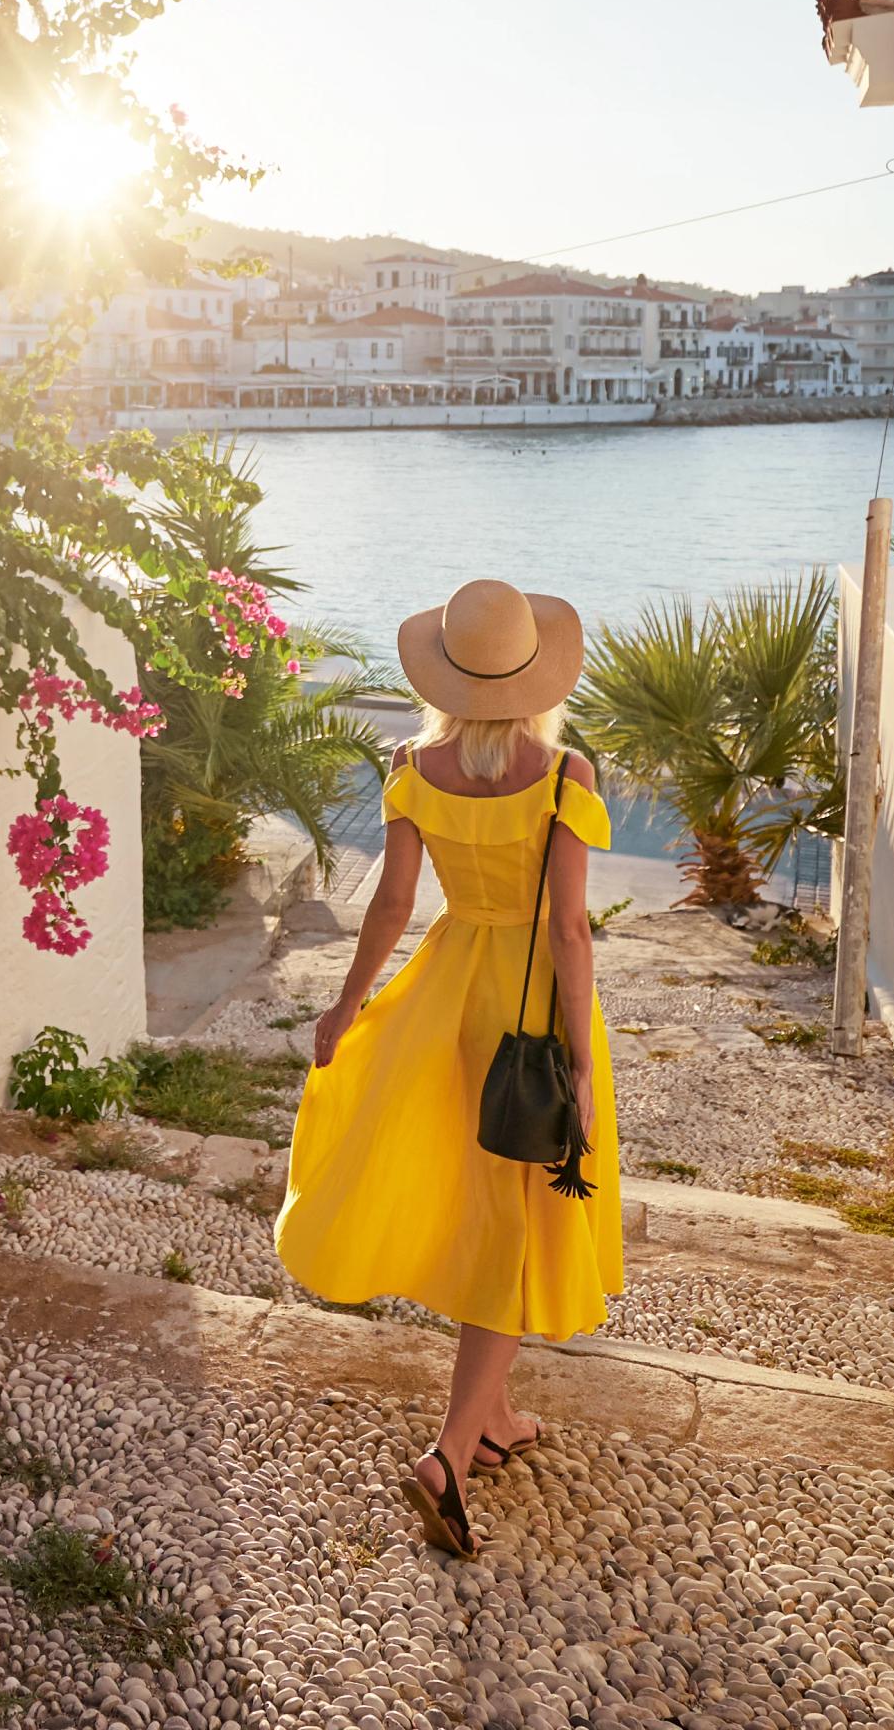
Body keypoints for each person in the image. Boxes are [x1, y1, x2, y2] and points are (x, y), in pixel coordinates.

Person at [275, 576, 624, 1557]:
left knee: (485, 1197)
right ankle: (450, 1453)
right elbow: (565, 927)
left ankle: (499, 1412)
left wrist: (347, 1006)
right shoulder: (565, 776)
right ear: (533, 674)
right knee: (514, 1230)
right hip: (529, 1006)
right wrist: (583, 1067)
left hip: (449, 994)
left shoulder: (409, 763)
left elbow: (391, 907)